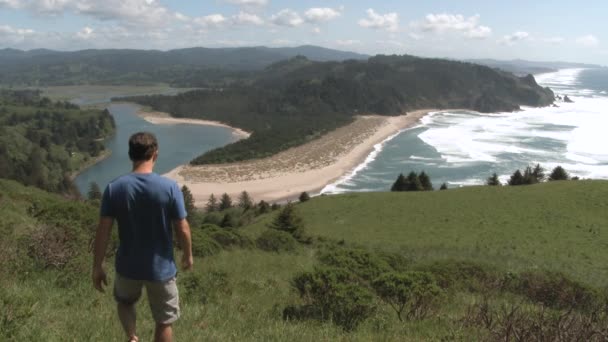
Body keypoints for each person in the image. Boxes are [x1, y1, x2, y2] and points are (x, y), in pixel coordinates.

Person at [92, 132, 193, 342]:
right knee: (164, 321)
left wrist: (97, 265)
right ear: (155, 154)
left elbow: (103, 231)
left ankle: (132, 337)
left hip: (128, 266)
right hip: (161, 268)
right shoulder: (169, 187)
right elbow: (182, 228)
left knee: (125, 302)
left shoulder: (114, 188)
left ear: (131, 155)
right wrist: (188, 255)